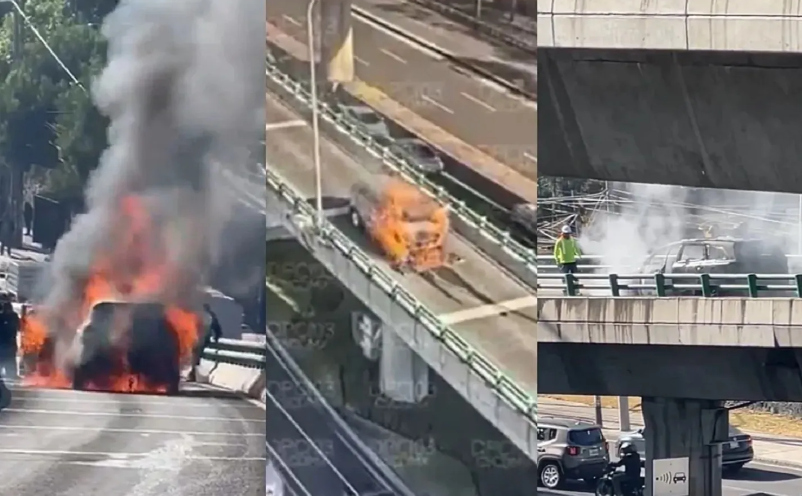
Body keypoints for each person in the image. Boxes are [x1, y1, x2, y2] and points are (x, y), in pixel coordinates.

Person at [188, 303, 222, 382]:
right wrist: (217, 336)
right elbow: (216, 327)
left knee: (195, 358)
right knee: (195, 358)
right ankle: (194, 374)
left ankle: (193, 374)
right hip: (201, 339)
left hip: (198, 339)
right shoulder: (209, 316)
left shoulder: (199, 315)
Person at [0, 302, 20, 380]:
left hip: (7, 342)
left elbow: (18, 327)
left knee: (8, 358)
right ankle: (11, 373)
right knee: (7, 358)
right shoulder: (13, 316)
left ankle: (11, 373)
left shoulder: (11, 316)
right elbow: (18, 327)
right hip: (7, 342)